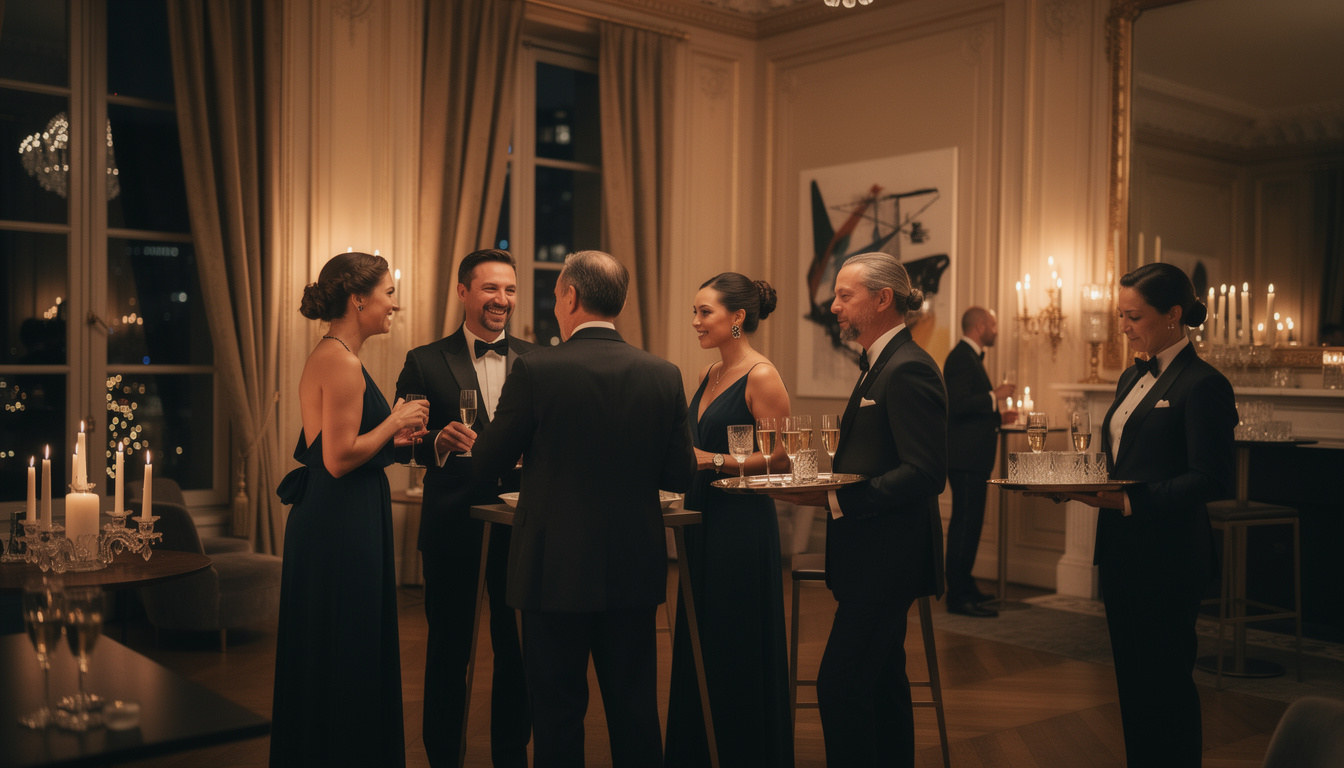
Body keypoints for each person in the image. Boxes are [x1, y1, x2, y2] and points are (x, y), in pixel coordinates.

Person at [472, 250, 697, 768]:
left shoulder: (536, 369)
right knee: (635, 710)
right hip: (633, 567)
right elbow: (680, 475)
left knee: (556, 715)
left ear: (571, 296)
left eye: (556, 296)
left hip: (553, 569)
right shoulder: (662, 373)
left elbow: (487, 462)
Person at [1047, 262, 1236, 767]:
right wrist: (1072, 482)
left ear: (1173, 314)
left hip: (1170, 557)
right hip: (1123, 553)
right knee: (1132, 686)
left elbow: (1213, 479)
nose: (1124, 327)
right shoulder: (1132, 374)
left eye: (1133, 316)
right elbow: (1121, 459)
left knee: (1167, 686)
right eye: (1121, 315)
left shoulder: (1204, 384)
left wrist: (1131, 500)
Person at [769, 252, 947, 768]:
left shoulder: (910, 368)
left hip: (887, 560)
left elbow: (925, 473)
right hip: (871, 557)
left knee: (839, 687)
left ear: (882, 299)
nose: (834, 305)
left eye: (846, 295)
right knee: (885, 684)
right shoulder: (881, 364)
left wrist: (834, 498)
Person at [271, 251, 430, 767]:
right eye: (387, 294)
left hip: (338, 515)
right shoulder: (339, 360)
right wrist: (396, 419)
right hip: (341, 521)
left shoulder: (335, 354)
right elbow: (339, 460)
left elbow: (337, 449)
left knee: (337, 646)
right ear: (358, 299)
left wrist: (408, 440)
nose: (393, 304)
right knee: (350, 645)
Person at [394, 248, 536, 768]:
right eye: (491, 288)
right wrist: (436, 439)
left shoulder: (537, 359)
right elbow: (401, 438)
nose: (503, 299)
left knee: (515, 651)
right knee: (448, 652)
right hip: (453, 523)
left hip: (522, 523)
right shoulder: (425, 360)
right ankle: (443, 758)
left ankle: (510, 757)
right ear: (463, 292)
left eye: (511, 290)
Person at [665, 273, 793, 768]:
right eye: (695, 312)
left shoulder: (762, 375)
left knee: (734, 636)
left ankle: (743, 750)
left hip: (739, 522)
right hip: (701, 514)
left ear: (737, 318)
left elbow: (781, 458)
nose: (695, 321)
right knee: (701, 634)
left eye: (705, 312)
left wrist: (712, 460)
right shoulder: (707, 374)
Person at [943, 306, 1015, 618]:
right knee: (964, 525)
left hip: (971, 457)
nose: (997, 330)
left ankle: (965, 584)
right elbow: (957, 405)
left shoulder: (968, 357)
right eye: (994, 324)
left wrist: (999, 415)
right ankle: (957, 596)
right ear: (981, 325)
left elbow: (969, 410)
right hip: (965, 458)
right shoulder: (961, 357)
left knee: (969, 525)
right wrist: (994, 396)